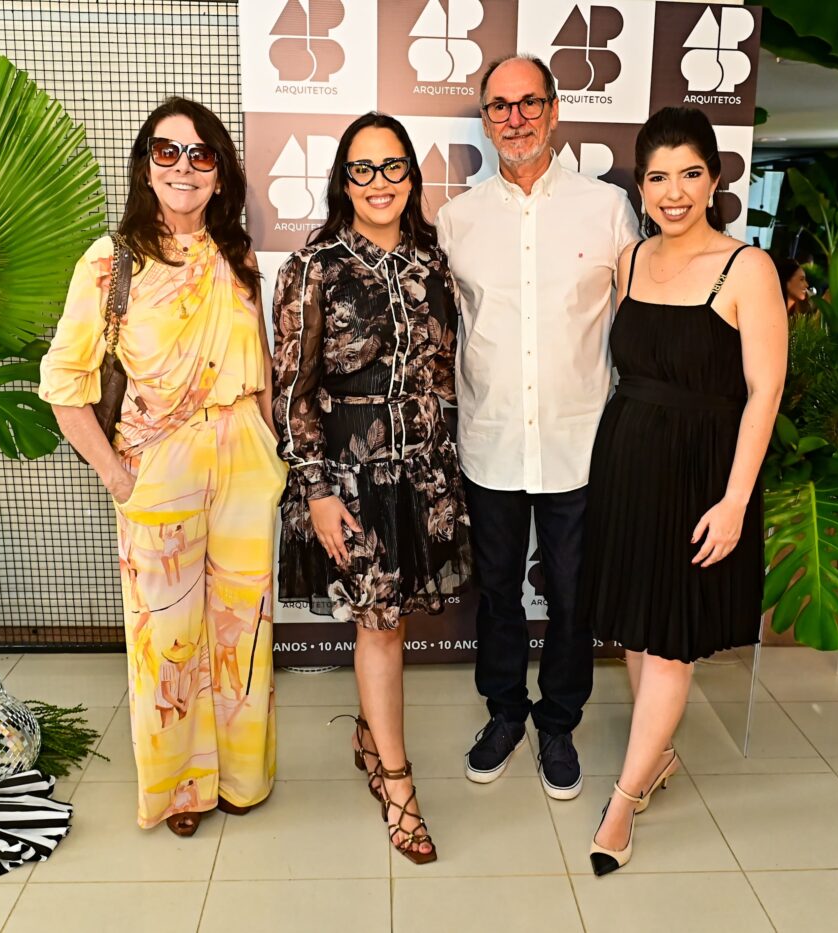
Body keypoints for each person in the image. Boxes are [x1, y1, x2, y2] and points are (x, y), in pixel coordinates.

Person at [40, 97, 285, 837]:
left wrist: (273, 448)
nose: (184, 167)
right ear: (147, 166)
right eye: (167, 151)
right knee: (167, 638)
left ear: (220, 174)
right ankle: (181, 788)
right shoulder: (110, 261)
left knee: (242, 627)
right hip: (160, 464)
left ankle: (242, 776)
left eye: (201, 154)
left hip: (243, 454)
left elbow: (261, 363)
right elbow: (64, 381)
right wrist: (117, 475)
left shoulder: (234, 254)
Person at [578, 107, 786, 876]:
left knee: (670, 641)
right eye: (658, 176)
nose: (673, 191)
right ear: (640, 183)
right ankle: (655, 755)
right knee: (637, 626)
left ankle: (623, 801)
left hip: (702, 473)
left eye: (689, 174)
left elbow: (764, 391)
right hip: (628, 460)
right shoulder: (630, 260)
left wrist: (734, 500)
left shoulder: (747, 269)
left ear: (714, 179)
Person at [435, 54, 639, 800]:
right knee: (495, 591)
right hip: (490, 442)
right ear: (485, 119)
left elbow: (634, 324)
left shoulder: (607, 209)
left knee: (573, 592)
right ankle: (503, 713)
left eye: (528, 103)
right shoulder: (456, 220)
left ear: (553, 111)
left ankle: (558, 720)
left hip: (578, 443)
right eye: (498, 106)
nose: (514, 118)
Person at [272, 112, 471, 865]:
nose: (380, 183)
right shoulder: (313, 267)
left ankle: (367, 732)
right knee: (379, 625)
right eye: (364, 168)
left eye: (393, 168)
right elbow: (291, 393)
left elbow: (446, 370)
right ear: (342, 181)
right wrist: (317, 491)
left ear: (412, 179)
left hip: (422, 473)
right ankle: (398, 785)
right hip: (350, 480)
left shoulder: (433, 264)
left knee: (392, 622)